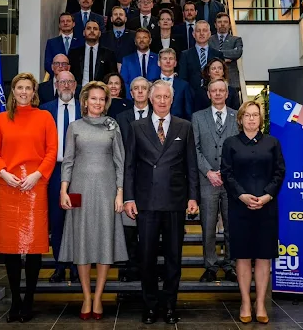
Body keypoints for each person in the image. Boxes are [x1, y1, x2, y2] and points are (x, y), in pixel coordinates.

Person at [124, 80, 199, 325]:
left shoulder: (184, 127)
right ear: (150, 99)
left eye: (167, 96)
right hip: (146, 203)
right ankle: (149, 306)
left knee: (173, 259)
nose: (163, 101)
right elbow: (130, 166)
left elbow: (191, 165)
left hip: (175, 202)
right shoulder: (136, 127)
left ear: (172, 99)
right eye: (158, 97)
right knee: (146, 258)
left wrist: (193, 196)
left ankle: (169, 306)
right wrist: (129, 197)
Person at [0, 73, 58, 323]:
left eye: (29, 88)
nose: (24, 92)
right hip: (8, 187)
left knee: (33, 247)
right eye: (20, 87)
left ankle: (29, 299)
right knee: (11, 249)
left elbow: (52, 151)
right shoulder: (1, 119)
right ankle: (15, 301)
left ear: (34, 92)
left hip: (35, 186)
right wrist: (3, 174)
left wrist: (38, 175)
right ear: (13, 91)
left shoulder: (45, 117)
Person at [59, 81, 128, 321]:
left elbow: (120, 161)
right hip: (79, 191)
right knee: (83, 243)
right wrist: (63, 190)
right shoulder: (74, 126)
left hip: (107, 191)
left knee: (103, 242)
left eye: (102, 99)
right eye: (93, 99)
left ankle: (98, 297)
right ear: (85, 102)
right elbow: (68, 160)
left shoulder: (113, 125)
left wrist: (120, 193)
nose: (97, 103)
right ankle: (86, 296)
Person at [221, 101, 286, 324]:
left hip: (266, 207)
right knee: (243, 256)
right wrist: (242, 196)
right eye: (247, 115)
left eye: (255, 115)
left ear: (261, 118)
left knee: (263, 255)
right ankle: (245, 302)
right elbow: (227, 174)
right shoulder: (231, 143)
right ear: (240, 119)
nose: (251, 119)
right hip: (240, 206)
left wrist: (267, 196)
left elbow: (279, 172)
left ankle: (259, 303)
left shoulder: (272, 143)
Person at [191, 79, 239, 283]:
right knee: (208, 226)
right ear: (208, 94)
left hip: (231, 182)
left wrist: (226, 172)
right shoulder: (198, 117)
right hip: (207, 180)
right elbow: (195, 148)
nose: (218, 93)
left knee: (231, 226)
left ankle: (230, 266)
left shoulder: (238, 117)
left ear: (227, 93)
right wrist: (209, 171)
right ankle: (210, 266)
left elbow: (240, 147)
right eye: (214, 91)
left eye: (222, 90)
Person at [39, 71, 81, 284]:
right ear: (55, 85)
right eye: (61, 82)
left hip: (78, 173)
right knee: (56, 220)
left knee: (75, 219)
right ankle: (59, 266)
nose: (65, 85)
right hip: (54, 172)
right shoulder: (45, 111)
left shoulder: (85, 110)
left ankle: (76, 266)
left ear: (75, 85)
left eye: (69, 81)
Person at [115, 76, 151, 282]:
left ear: (149, 92)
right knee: (129, 228)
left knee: (150, 227)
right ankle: (130, 268)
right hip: (128, 176)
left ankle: (150, 268)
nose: (139, 92)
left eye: (143, 88)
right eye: (135, 88)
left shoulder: (159, 116)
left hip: (151, 179)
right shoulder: (121, 117)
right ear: (130, 93)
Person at [68, 20, 117, 86]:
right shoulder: (74, 53)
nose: (92, 31)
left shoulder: (109, 54)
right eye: (88, 28)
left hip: (100, 91)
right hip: (79, 92)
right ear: (84, 32)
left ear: (99, 33)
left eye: (95, 29)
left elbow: (112, 76)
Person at [178, 20, 223, 92]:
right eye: (198, 31)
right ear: (193, 34)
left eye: (204, 30)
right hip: (192, 96)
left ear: (209, 34)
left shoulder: (218, 55)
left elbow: (222, 78)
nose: (201, 33)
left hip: (214, 95)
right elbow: (182, 79)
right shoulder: (185, 55)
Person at [120, 28, 160, 98]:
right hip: (133, 100)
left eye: (144, 37)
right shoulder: (127, 60)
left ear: (150, 41)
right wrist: (133, 97)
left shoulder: (158, 58)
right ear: (135, 41)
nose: (142, 40)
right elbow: (124, 82)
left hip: (155, 99)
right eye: (139, 38)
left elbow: (161, 79)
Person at [208, 12, 243, 90]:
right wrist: (227, 56)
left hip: (231, 80)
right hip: (212, 80)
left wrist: (217, 52)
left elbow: (237, 53)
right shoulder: (209, 40)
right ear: (215, 25)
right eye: (219, 22)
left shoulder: (236, 39)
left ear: (230, 25)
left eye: (225, 22)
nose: (222, 24)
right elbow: (209, 55)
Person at [44, 13, 83, 77]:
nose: (65, 23)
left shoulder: (81, 42)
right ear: (59, 25)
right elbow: (48, 63)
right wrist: (59, 76)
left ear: (73, 24)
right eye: (62, 21)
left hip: (76, 79)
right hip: (57, 79)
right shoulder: (51, 42)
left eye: (68, 21)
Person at [158, 48, 192, 120]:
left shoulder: (184, 85)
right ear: (159, 63)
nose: (168, 61)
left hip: (178, 127)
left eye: (171, 59)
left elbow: (188, 111)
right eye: (164, 58)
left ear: (175, 63)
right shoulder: (152, 84)